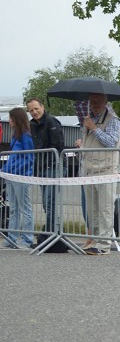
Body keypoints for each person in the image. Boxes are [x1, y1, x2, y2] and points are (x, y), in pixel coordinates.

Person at [78, 93, 120, 255]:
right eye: (92, 100)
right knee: (93, 210)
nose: (94, 103)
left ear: (105, 102)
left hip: (106, 170)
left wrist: (94, 129)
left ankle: (104, 245)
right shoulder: (89, 119)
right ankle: (95, 241)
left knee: (105, 209)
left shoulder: (113, 120)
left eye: (98, 100)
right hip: (90, 170)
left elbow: (111, 142)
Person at [26, 97, 66, 245]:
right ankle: (51, 233)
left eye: (36, 108)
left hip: (54, 166)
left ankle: (52, 234)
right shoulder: (31, 125)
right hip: (41, 168)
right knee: (46, 202)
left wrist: (46, 158)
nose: (34, 112)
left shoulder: (51, 121)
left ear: (42, 107)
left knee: (51, 202)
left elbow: (58, 145)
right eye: (31, 110)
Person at [2, 107, 36, 249]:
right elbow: (14, 157)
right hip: (11, 175)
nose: (9, 121)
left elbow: (30, 157)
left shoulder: (25, 136)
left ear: (17, 119)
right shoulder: (16, 136)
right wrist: (5, 170)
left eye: (11, 118)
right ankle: (12, 237)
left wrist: (17, 170)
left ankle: (28, 238)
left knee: (24, 207)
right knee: (14, 208)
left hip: (20, 176)